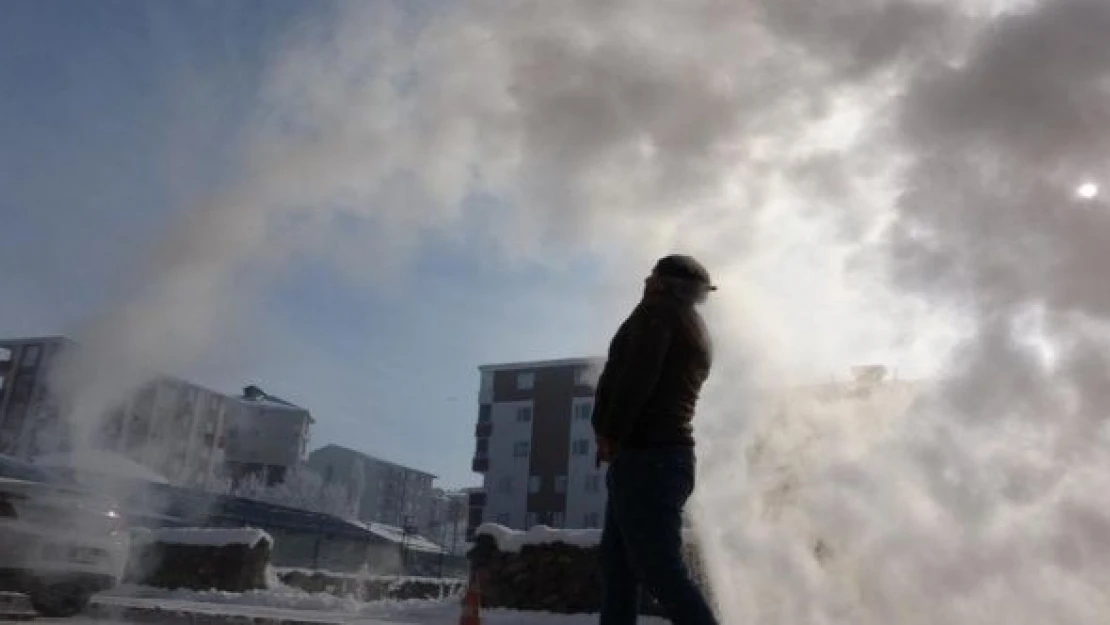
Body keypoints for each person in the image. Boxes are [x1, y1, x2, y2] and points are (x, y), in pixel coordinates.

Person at [591, 254, 719, 625]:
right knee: (619, 569)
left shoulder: (659, 315)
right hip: (652, 458)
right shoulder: (689, 323)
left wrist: (611, 433)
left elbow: (637, 377)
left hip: (648, 458)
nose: (645, 281)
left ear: (664, 283)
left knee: (658, 569)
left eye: (653, 276)